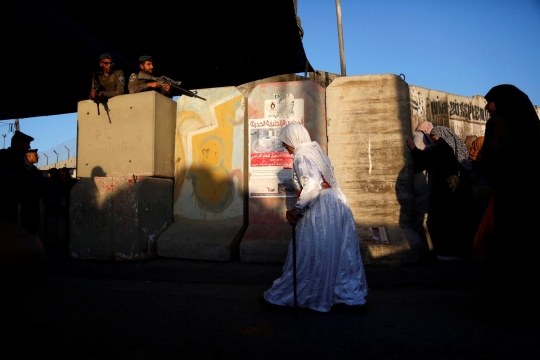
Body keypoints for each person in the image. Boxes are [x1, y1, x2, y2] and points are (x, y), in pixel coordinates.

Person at [260, 123, 368, 313]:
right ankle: (338, 293)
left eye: (286, 143)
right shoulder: (315, 151)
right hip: (336, 202)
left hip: (321, 206)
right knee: (335, 250)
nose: (285, 147)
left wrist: (297, 209)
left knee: (313, 250)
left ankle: (309, 294)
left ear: (293, 139)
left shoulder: (301, 154)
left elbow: (312, 185)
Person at [479, 84, 540, 329]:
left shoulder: (499, 125)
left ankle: (508, 308)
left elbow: (491, 163)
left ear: (502, 103)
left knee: (508, 253)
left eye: (490, 101)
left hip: (510, 200)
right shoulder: (531, 126)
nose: (487, 107)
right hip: (528, 200)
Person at [407, 126, 478, 261]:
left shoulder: (443, 148)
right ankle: (465, 250)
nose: (433, 139)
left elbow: (426, 160)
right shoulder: (457, 145)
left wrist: (414, 150)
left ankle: (450, 252)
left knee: (447, 220)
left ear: (441, 136)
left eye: (434, 137)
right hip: (461, 190)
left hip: (447, 191)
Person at [0, 130, 34, 224]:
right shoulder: (14, 159)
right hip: (8, 202)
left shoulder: (8, 156)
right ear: (19, 143)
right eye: (27, 144)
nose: (29, 147)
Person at [408, 121, 436, 232]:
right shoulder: (421, 136)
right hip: (422, 173)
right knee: (422, 201)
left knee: (421, 201)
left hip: (422, 173)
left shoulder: (421, 136)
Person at [19, 149, 43, 235]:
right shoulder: (25, 169)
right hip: (28, 201)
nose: (38, 156)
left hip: (32, 201)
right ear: (29, 156)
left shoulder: (33, 169)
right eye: (35, 155)